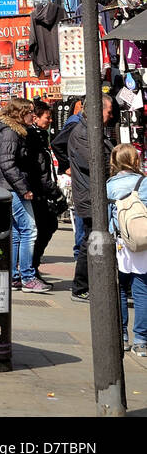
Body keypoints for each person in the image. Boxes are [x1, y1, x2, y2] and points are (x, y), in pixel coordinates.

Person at [57, 95, 113, 304]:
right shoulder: (81, 132)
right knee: (90, 241)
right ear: (98, 110)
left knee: (93, 239)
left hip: (95, 194)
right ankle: (81, 286)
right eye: (109, 112)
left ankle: (92, 283)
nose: (111, 116)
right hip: (90, 195)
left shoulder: (93, 131)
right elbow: (95, 162)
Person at [0, 98, 49, 293]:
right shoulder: (10, 132)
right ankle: (27, 276)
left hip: (11, 185)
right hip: (12, 187)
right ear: (19, 112)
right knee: (29, 230)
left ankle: (16, 276)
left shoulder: (14, 131)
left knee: (17, 231)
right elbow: (7, 164)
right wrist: (23, 189)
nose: (33, 115)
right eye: (30, 111)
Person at [106, 143, 147, 356]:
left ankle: (121, 336)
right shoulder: (144, 182)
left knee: (120, 289)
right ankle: (141, 340)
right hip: (141, 242)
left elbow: (106, 215)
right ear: (135, 160)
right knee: (142, 290)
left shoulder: (110, 184)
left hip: (120, 242)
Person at [26, 99, 61, 282]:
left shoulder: (40, 136)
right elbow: (40, 170)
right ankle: (31, 267)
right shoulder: (34, 137)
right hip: (38, 192)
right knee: (43, 228)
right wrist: (54, 192)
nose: (50, 121)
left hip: (40, 190)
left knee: (46, 227)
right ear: (36, 117)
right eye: (47, 117)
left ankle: (32, 266)